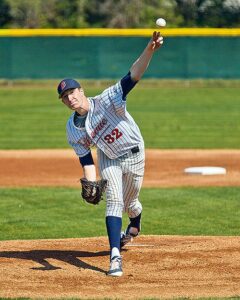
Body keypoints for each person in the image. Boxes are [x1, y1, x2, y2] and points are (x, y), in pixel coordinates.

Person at [57, 31, 164, 277]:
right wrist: (91, 181)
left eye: (73, 92)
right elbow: (85, 158)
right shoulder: (72, 128)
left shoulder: (107, 100)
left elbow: (133, 76)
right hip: (108, 158)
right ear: (63, 102)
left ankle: (136, 217)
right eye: (65, 96)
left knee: (130, 203)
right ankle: (115, 256)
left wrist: (149, 49)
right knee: (114, 202)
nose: (70, 97)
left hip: (134, 152)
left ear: (81, 91)